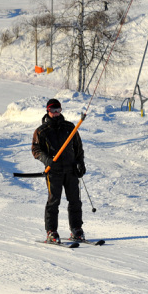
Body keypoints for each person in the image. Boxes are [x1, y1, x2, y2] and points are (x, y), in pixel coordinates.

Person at [32, 98, 86, 243]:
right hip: (53, 171)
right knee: (53, 201)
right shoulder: (41, 131)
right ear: (47, 111)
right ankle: (51, 231)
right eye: (53, 110)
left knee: (75, 201)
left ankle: (76, 229)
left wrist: (80, 163)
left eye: (58, 110)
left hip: (70, 170)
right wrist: (47, 160)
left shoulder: (70, 127)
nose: (56, 113)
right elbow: (36, 150)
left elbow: (78, 148)